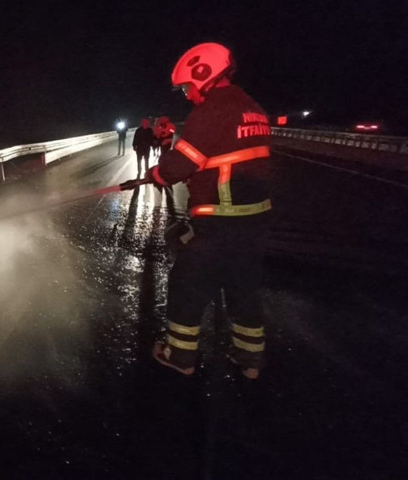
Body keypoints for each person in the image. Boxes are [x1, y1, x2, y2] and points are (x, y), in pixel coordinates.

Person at [145, 42, 272, 379]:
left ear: (205, 75)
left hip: (220, 218)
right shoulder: (252, 107)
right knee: (244, 288)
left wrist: (156, 174)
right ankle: (250, 361)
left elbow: (179, 165)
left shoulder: (213, 110)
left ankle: (181, 356)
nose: (187, 95)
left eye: (188, 86)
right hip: (255, 219)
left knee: (188, 283)